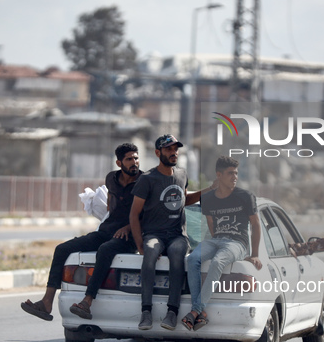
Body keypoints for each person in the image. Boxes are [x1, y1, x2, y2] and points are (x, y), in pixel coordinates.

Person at [21, 143, 141, 321]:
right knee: (62, 249)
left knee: (105, 250)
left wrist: (129, 226)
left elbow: (150, 212)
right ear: (119, 163)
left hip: (128, 237)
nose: (134, 162)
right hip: (106, 231)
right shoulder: (111, 179)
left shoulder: (145, 181)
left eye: (136, 158)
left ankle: (87, 302)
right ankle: (46, 302)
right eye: (129, 159)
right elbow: (110, 203)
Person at [129, 134, 214, 331]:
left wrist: (208, 190)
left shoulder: (182, 174)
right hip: (154, 235)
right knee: (150, 252)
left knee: (177, 255)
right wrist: (140, 244)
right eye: (168, 149)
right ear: (158, 152)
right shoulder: (147, 179)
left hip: (177, 235)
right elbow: (134, 214)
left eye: (175, 149)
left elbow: (184, 200)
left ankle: (172, 312)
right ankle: (146, 312)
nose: (173, 152)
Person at [182, 156, 263, 331]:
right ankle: (200, 313)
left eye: (236, 173)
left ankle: (195, 311)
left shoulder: (245, 196)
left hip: (237, 243)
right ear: (219, 175)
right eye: (229, 173)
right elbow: (211, 224)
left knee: (218, 262)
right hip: (216, 239)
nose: (234, 177)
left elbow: (256, 225)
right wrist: (214, 241)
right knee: (192, 259)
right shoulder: (208, 198)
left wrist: (254, 253)